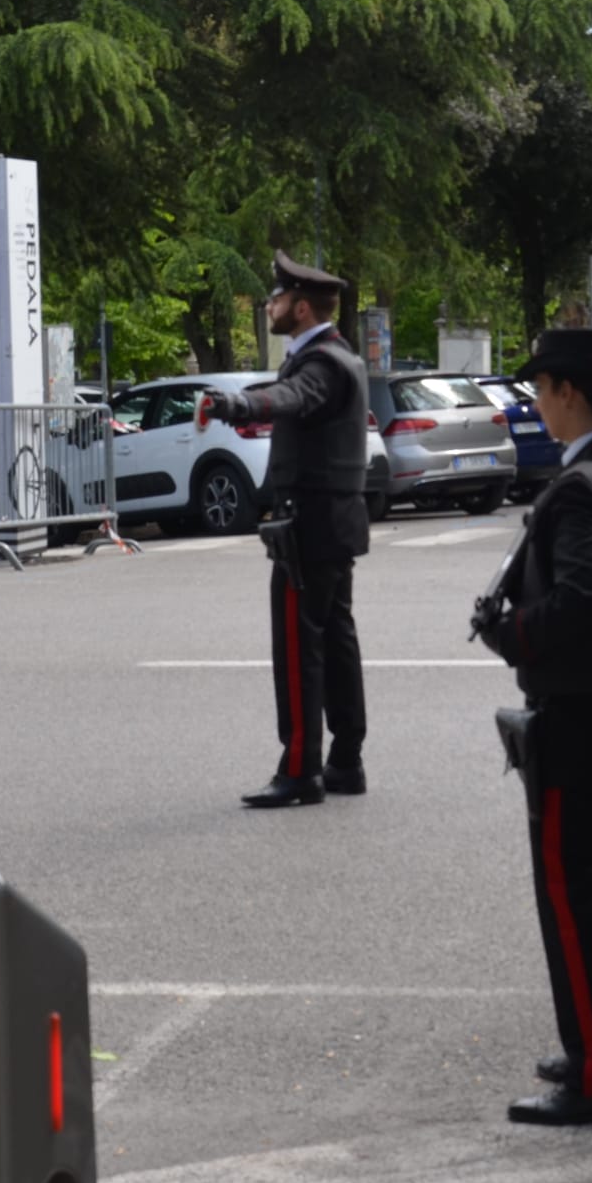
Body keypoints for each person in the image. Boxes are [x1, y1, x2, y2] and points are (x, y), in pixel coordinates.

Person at [475, 327, 592, 1127]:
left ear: (567, 392)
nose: (536, 402)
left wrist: (509, 633)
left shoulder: (583, 484)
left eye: (541, 388)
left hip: (577, 714)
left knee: (571, 893)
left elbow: (581, 597)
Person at [200, 250, 369, 808]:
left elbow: (289, 400)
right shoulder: (333, 355)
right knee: (336, 641)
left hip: (311, 528)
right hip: (331, 523)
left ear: (299, 307)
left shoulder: (320, 362)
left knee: (300, 647)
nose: (269, 305)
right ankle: (345, 759)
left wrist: (235, 403)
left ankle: (301, 770)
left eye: (275, 298)